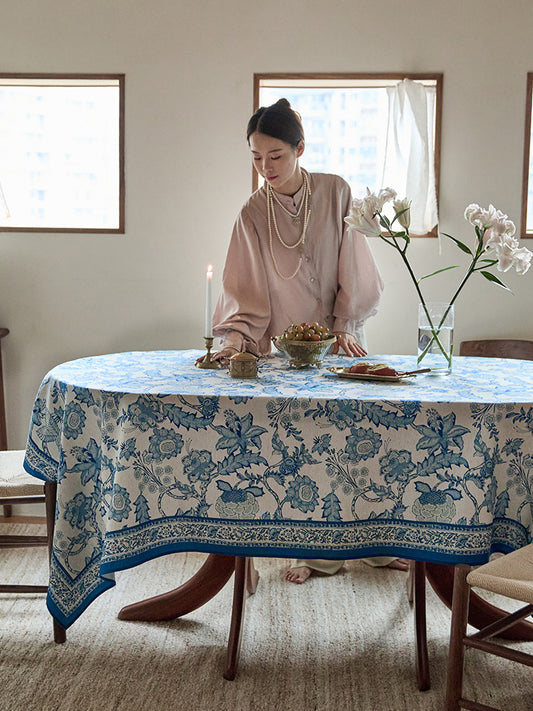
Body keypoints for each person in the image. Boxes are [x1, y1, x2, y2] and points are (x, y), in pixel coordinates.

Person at [211, 98, 401, 583]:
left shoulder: (335, 191)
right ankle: (313, 553)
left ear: (300, 148)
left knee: (364, 437)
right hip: (289, 350)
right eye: (256, 158)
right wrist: (235, 339)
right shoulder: (253, 211)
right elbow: (244, 288)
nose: (265, 168)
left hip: (341, 336)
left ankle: (378, 547)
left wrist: (342, 324)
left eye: (275, 156)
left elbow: (353, 262)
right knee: (306, 444)